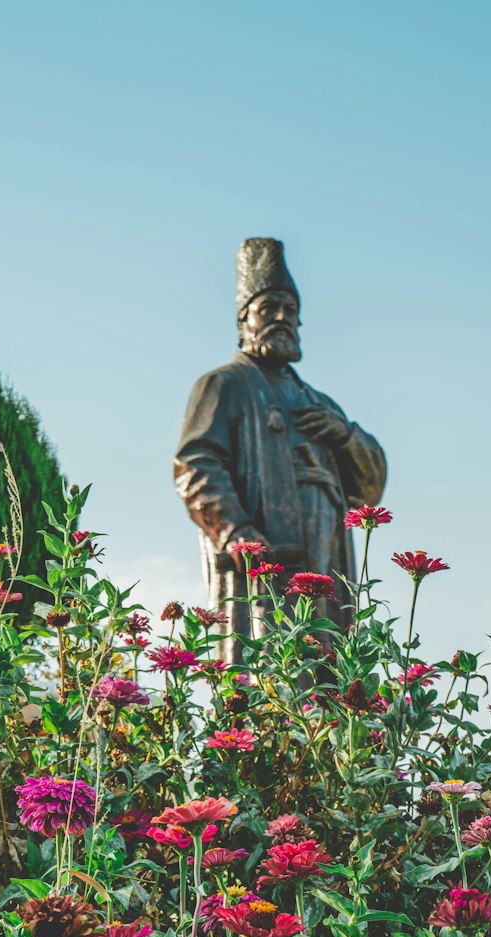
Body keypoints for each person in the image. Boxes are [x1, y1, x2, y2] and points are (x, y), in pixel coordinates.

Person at [174, 238, 387, 661]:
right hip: (267, 556)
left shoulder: (322, 404)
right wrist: (235, 531)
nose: (281, 318)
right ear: (244, 320)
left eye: (290, 310)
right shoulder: (225, 385)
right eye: (268, 308)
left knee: (333, 669)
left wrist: (345, 435)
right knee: (269, 663)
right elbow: (195, 464)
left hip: (328, 553)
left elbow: (370, 490)